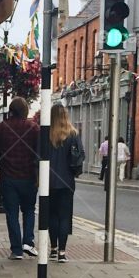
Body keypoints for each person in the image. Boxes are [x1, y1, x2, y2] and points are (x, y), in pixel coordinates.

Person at [0, 97, 39, 259]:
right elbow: (40, 155)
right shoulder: (34, 128)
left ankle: (16, 250)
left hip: (8, 178)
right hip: (29, 177)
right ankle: (28, 242)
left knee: (12, 213)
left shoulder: (1, 128)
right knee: (29, 210)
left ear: (10, 111)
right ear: (25, 111)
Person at [48, 105, 84, 262]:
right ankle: (62, 252)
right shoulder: (73, 134)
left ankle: (53, 249)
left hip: (49, 182)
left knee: (52, 215)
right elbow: (80, 155)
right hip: (67, 181)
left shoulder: (46, 134)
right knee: (64, 216)